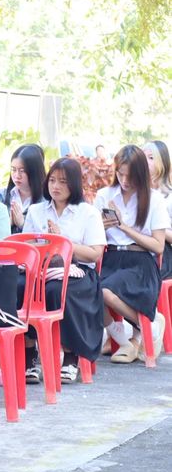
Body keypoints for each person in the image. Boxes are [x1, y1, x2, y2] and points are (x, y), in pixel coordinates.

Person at [22, 158, 106, 383]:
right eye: (52, 180)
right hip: (41, 270)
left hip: (77, 271)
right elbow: (25, 247)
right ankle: (30, 353)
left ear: (75, 185)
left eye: (63, 182)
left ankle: (71, 355)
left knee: (57, 291)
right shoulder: (36, 210)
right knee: (19, 287)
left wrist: (62, 242)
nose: (55, 186)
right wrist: (43, 245)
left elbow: (94, 253)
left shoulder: (87, 213)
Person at [94, 145, 169, 364]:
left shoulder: (154, 200)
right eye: (120, 174)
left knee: (105, 291)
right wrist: (103, 227)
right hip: (111, 258)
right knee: (87, 292)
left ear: (141, 174)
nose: (124, 180)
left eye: (130, 175)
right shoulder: (104, 195)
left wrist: (124, 226)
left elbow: (158, 246)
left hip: (140, 262)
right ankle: (127, 340)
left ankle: (147, 326)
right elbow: (93, 238)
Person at [0, 144, 47, 234]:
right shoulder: (2, 195)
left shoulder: (46, 200)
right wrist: (6, 224)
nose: (17, 176)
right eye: (13, 170)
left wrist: (23, 225)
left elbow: (47, 237)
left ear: (35, 171)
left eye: (22, 171)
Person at [143, 140, 172, 280]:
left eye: (151, 158)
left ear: (162, 163)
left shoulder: (169, 197)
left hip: (162, 256)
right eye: (143, 158)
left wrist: (156, 229)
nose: (145, 162)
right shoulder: (133, 193)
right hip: (135, 251)